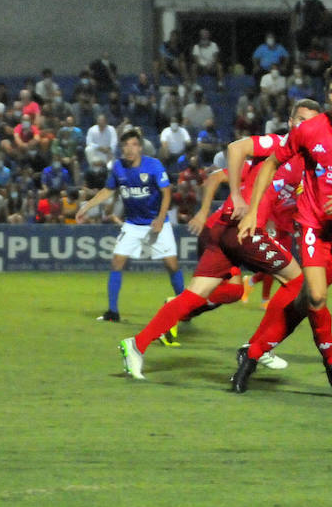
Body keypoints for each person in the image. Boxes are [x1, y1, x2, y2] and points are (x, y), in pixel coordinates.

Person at [119, 100, 321, 379]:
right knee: (298, 283)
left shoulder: (305, 161)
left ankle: (136, 345)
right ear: (290, 122)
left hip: (227, 230)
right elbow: (236, 148)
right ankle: (258, 347)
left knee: (194, 296)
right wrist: (236, 196)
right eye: (300, 119)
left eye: (311, 122)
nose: (304, 126)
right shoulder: (277, 144)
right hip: (241, 229)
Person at [233, 64, 332, 395]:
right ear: (327, 95)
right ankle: (331, 362)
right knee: (317, 296)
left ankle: (252, 354)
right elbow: (272, 163)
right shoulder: (309, 130)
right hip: (312, 225)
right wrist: (252, 212)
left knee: (307, 301)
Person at [76, 129, 183, 322]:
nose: (129, 149)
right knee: (117, 262)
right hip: (132, 224)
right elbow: (108, 190)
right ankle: (113, 312)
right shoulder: (118, 167)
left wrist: (160, 218)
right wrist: (86, 207)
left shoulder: (153, 165)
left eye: (133, 145)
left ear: (140, 148)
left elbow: (166, 192)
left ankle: (186, 308)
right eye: (125, 145)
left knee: (172, 265)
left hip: (156, 222)